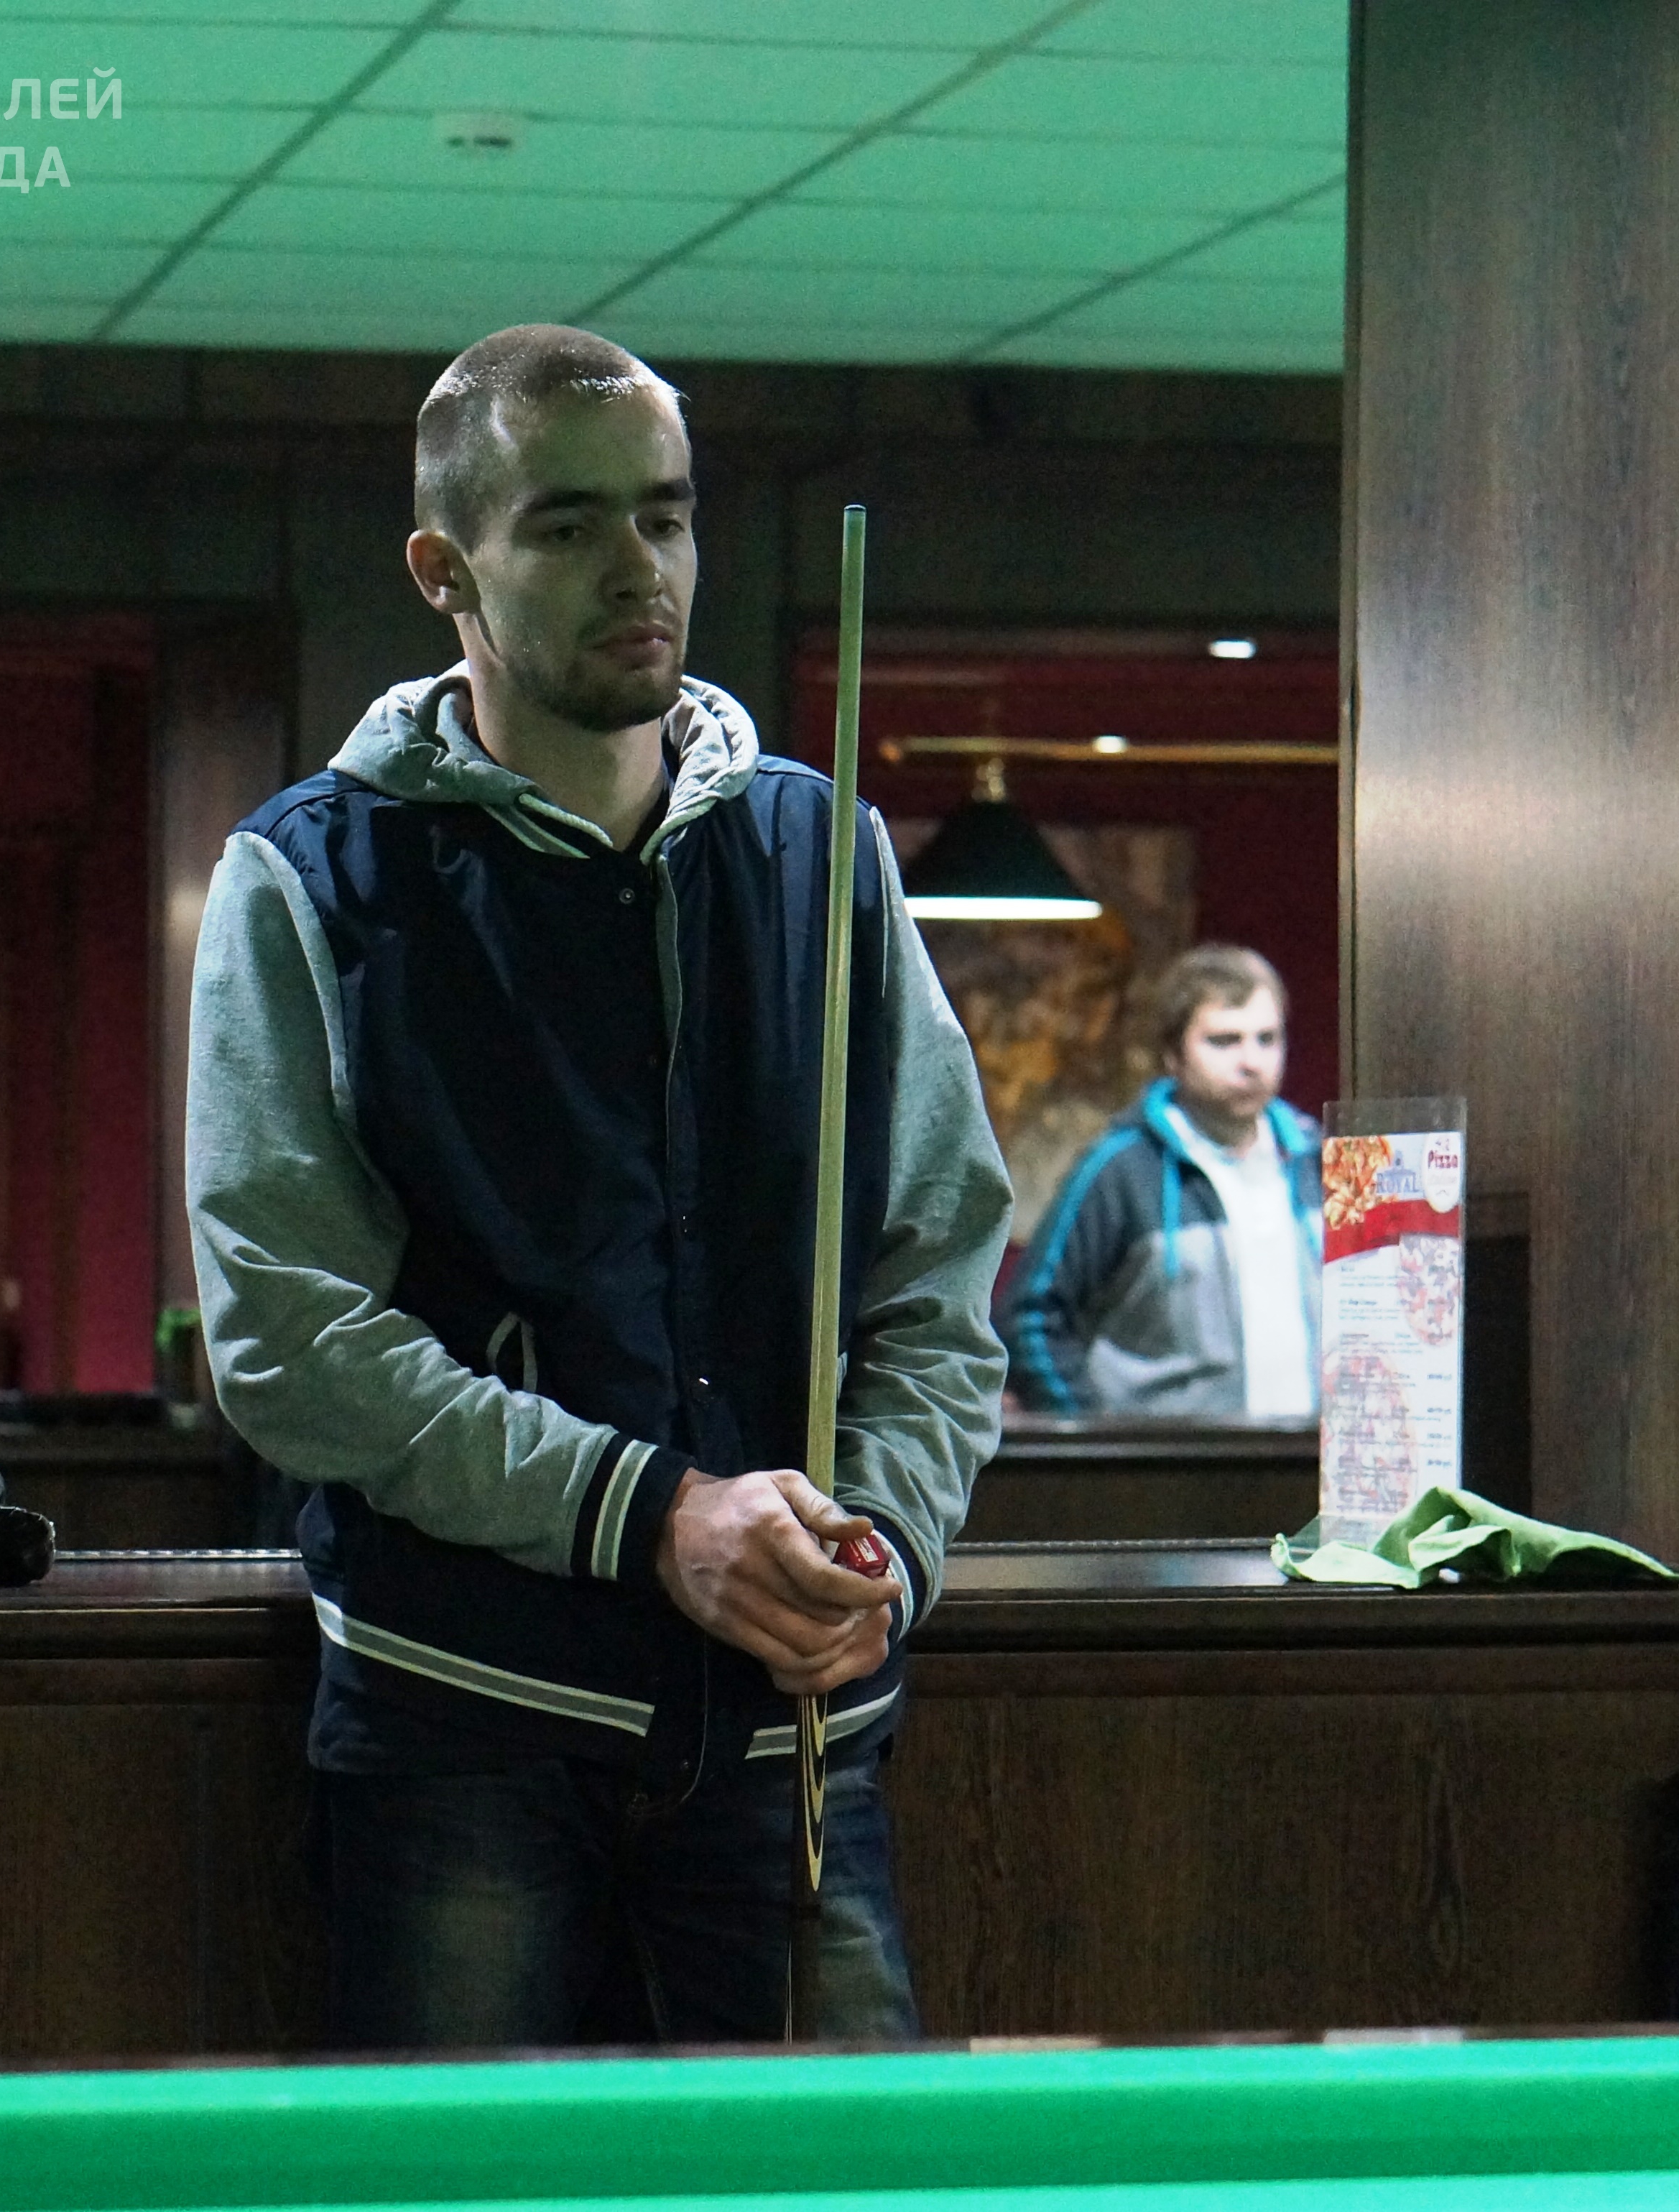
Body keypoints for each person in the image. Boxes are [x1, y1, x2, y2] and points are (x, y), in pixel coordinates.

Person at [185, 324, 1011, 2050]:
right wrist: (655, 1515)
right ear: (444, 570)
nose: (640, 567)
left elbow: (935, 1281)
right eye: (566, 525)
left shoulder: (825, 851)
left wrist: (874, 1547)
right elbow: (286, 1342)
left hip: (789, 1729)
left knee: (840, 2187)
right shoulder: (314, 874)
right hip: (464, 1728)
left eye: (666, 514)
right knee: (467, 2184)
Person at [1000, 944, 1321, 1418]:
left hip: (1307, 1451)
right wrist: (1095, 1433)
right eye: (1224, 1041)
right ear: (1173, 1055)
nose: (1251, 1061)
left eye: (1267, 1039)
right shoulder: (1121, 1169)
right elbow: (1029, 1317)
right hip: (1165, 1459)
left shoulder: (1319, 1158)